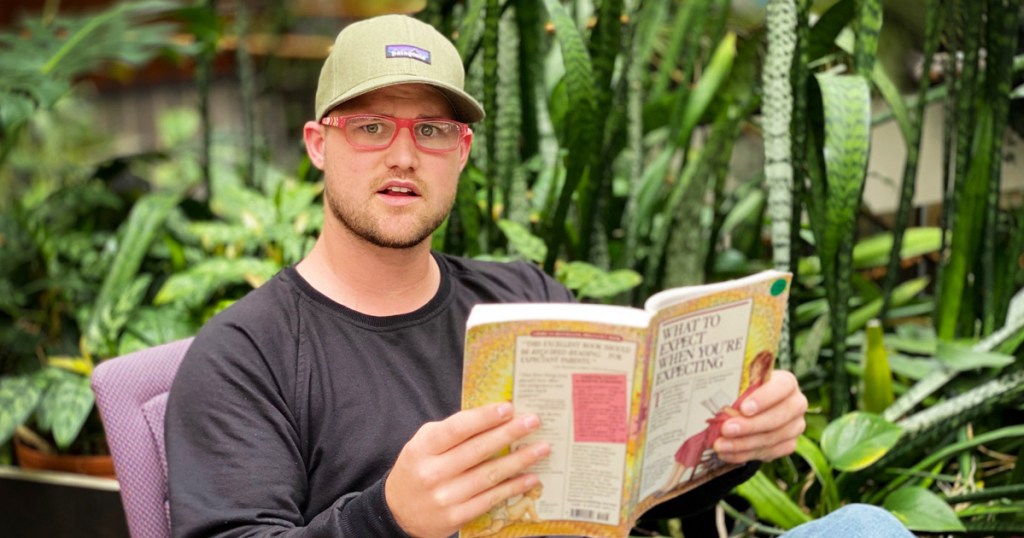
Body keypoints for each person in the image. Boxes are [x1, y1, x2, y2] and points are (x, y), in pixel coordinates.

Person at [166, 14, 811, 538]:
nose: (402, 155)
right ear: (316, 144)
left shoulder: (525, 298)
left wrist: (730, 445)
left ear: (463, 151)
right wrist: (386, 520)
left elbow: (622, 496)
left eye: (432, 130)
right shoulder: (246, 356)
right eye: (369, 126)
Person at [655, 350, 775, 496]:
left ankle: (671, 484)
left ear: (763, 369)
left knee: (692, 444)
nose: (753, 370)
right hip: (715, 427)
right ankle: (669, 484)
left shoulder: (757, 390)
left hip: (721, 431)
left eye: (757, 367)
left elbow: (745, 415)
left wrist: (727, 410)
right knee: (688, 443)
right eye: (754, 366)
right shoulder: (750, 387)